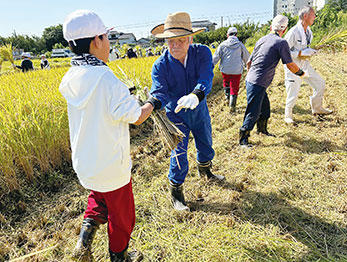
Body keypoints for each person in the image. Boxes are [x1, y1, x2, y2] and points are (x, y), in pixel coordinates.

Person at [59, 9, 154, 261]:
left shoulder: (71, 77)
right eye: (106, 36)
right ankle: (119, 256)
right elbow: (137, 116)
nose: (109, 43)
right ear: (96, 41)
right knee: (122, 216)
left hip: (86, 164)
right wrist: (152, 102)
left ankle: (83, 242)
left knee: (98, 196)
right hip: (112, 165)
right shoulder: (106, 79)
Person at [148, 11, 225, 212]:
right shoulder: (160, 66)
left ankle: (206, 171)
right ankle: (177, 193)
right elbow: (160, 92)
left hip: (199, 110)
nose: (175, 45)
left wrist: (196, 95)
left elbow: (206, 77)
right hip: (175, 116)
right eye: (170, 41)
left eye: (180, 40)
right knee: (179, 155)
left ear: (190, 38)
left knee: (206, 144)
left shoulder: (202, 53)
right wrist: (152, 104)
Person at [239, 15, 306, 147]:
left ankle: (262, 130)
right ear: (285, 29)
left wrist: (251, 75)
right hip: (258, 81)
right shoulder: (281, 43)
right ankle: (243, 139)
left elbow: (249, 62)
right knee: (253, 110)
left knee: (265, 108)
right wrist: (301, 73)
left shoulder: (262, 40)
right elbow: (290, 65)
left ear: (271, 27)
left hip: (253, 79)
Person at [284, 6, 332, 124]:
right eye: (313, 15)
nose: (315, 17)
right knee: (293, 93)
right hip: (293, 67)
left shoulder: (308, 31)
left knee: (320, 83)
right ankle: (288, 115)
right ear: (305, 16)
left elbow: (305, 47)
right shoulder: (293, 32)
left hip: (304, 65)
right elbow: (284, 52)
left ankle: (317, 108)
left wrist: (310, 51)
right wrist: (299, 53)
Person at [213, 27, 250, 112]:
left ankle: (227, 98)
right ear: (236, 34)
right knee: (234, 86)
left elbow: (215, 58)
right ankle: (232, 106)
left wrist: (210, 67)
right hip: (237, 70)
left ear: (227, 35)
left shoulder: (222, 45)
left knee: (226, 83)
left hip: (225, 69)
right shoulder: (240, 45)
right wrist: (248, 68)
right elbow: (247, 57)